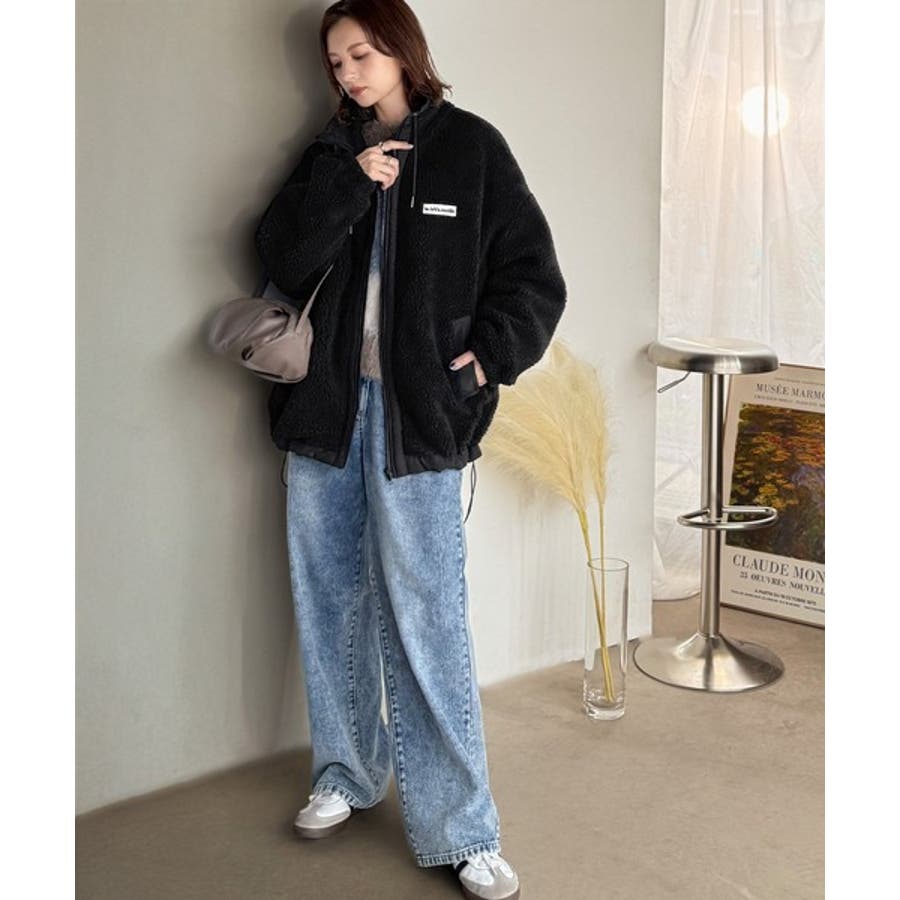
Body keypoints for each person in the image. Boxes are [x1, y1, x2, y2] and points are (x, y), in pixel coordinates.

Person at [254, 2, 566, 898]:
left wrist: (485, 362)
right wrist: (351, 185)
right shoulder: (330, 154)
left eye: (362, 53)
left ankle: (463, 829)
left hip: (419, 422)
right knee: (330, 600)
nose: (349, 73)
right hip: (324, 415)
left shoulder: (471, 148)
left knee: (430, 617)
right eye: (336, 62)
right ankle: (345, 774)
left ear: (401, 49)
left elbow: (534, 276)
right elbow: (280, 256)